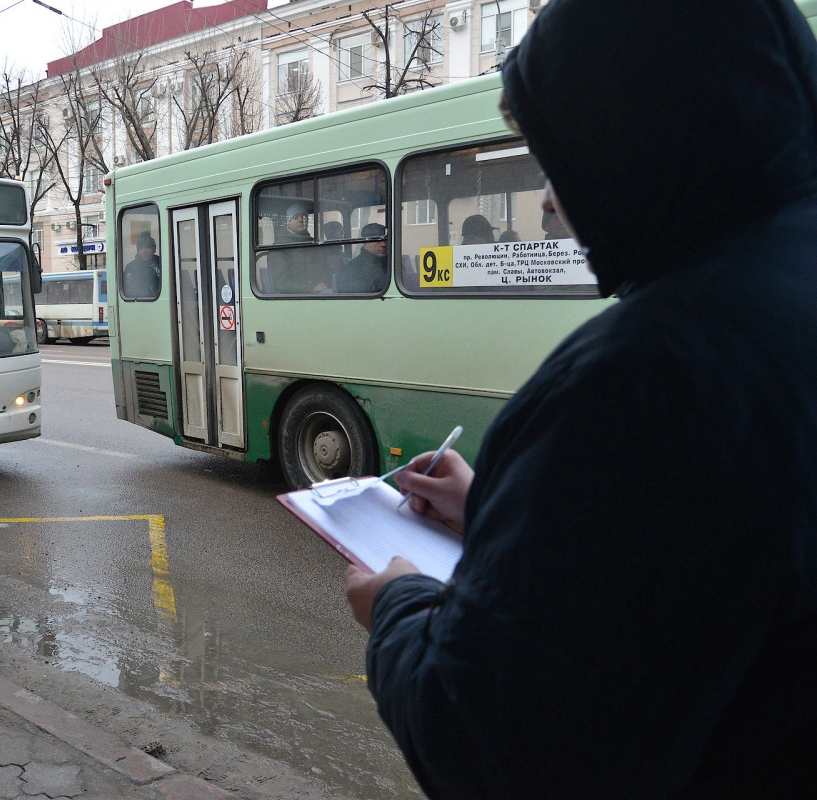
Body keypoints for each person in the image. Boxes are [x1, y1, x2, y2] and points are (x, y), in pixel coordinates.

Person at [345, 0, 817, 796]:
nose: (555, 203)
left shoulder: (642, 379)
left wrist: (396, 605)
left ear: (634, 135)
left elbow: (491, 745)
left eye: (556, 158)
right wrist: (496, 501)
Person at [271, 203, 332, 293]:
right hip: (291, 298)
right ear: (289, 222)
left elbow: (327, 269)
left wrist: (326, 283)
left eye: (304, 217)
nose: (300, 220)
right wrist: (310, 288)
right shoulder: (279, 246)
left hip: (318, 293)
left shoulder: (314, 243)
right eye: (295, 217)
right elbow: (281, 283)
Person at [338, 222, 388, 293]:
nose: (383, 244)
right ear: (365, 244)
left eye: (385, 240)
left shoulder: (393, 264)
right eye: (378, 240)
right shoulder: (353, 269)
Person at [123, 232, 161, 299]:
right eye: (141, 248)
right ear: (138, 251)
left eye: (147, 247)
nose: (144, 251)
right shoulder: (132, 268)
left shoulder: (162, 264)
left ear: (154, 249)